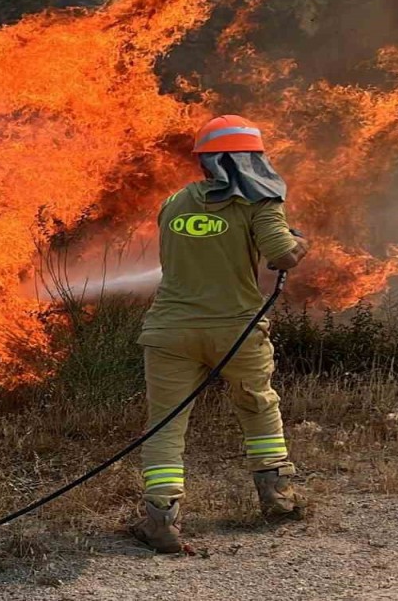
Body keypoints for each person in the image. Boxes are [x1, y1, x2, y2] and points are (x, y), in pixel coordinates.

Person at [130, 114, 311, 554]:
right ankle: (278, 499)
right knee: (257, 407)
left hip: (169, 330)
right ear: (251, 160)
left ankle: (162, 519)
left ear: (205, 162)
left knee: (166, 425)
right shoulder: (259, 203)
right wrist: (299, 241)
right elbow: (282, 256)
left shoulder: (173, 203)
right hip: (236, 330)